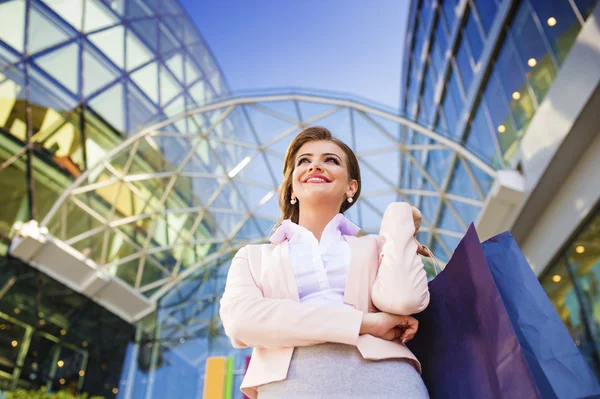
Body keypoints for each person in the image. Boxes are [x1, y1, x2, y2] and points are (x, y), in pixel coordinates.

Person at [220, 126, 431, 398]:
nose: (315, 165)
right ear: (293, 185)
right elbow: (242, 322)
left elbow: (404, 301)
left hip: (389, 382)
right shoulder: (253, 257)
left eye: (331, 160)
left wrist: (397, 217)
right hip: (291, 386)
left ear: (350, 187)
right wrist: (364, 323)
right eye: (304, 161)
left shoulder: (375, 247)